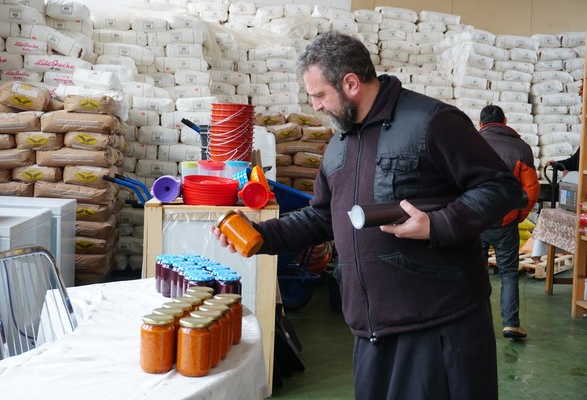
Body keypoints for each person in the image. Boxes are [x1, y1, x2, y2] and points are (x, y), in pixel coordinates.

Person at [213, 32, 525, 399]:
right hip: (370, 331)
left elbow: (502, 189)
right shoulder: (339, 144)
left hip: (438, 325)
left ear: (350, 84)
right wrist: (263, 235)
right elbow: (323, 217)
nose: (314, 106)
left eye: (319, 95)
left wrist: (438, 224)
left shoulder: (432, 122)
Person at [478, 105, 540, 339]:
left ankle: (478, 325)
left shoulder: (471, 143)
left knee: (475, 272)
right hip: (505, 222)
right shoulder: (521, 148)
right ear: (505, 121)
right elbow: (532, 191)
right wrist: (518, 216)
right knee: (509, 274)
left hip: (477, 221)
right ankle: (511, 323)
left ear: (480, 123)